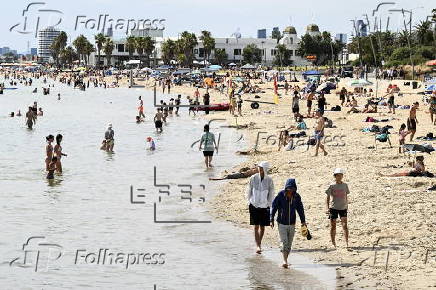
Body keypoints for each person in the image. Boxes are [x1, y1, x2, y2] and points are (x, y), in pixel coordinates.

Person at [271, 178, 306, 268]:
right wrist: (271, 219)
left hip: (292, 223)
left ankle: (285, 259)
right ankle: (284, 260)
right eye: (289, 188)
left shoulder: (297, 197)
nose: (290, 190)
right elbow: (274, 207)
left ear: (295, 188)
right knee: (284, 242)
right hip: (282, 223)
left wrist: (303, 221)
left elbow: (300, 209)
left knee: (289, 244)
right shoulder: (280, 195)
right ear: (286, 188)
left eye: (292, 188)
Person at [246, 161, 275, 254]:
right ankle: (258, 246)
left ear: (265, 169)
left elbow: (271, 194)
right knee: (256, 226)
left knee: (262, 227)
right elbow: (248, 191)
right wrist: (249, 202)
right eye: (259, 167)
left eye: (261, 168)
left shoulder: (269, 180)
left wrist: (269, 205)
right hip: (254, 205)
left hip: (264, 206)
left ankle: (259, 243)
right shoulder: (253, 178)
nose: (259, 169)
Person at [325, 168, 350, 248]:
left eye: (340, 175)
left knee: (345, 225)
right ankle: (333, 243)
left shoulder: (345, 185)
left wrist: (347, 205)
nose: (339, 177)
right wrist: (327, 208)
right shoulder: (332, 186)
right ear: (335, 176)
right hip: (333, 208)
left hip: (343, 208)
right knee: (333, 226)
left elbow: (346, 195)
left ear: (342, 176)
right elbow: (327, 197)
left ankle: (347, 243)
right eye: (337, 175)